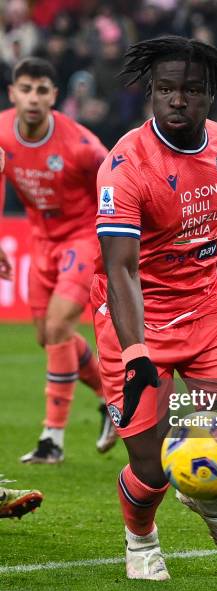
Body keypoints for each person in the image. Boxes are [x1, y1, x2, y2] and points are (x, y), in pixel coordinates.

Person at [92, 35, 217, 581]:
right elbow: (121, 269)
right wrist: (136, 355)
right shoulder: (125, 168)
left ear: (210, 96)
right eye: (165, 89)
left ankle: (207, 496)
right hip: (136, 318)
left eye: (191, 90)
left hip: (206, 307)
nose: (177, 100)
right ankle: (141, 540)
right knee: (151, 467)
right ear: (150, 93)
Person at [0, 57, 116, 462]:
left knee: (58, 326)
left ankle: (52, 439)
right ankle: (110, 397)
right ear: (13, 93)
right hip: (39, 240)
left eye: (41, 90)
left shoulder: (82, 146)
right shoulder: (1, 133)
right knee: (46, 337)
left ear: (54, 96)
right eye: (26, 89)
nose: (33, 98)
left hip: (83, 238)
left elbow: (113, 187)